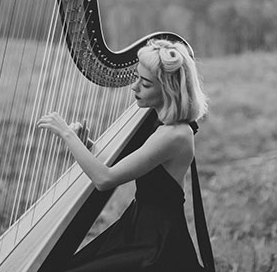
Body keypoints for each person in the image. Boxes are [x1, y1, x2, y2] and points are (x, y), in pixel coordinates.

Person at [36, 39, 213, 272]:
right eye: (137, 78)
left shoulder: (173, 136)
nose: (135, 87)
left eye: (146, 83)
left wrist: (66, 134)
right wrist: (86, 145)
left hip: (156, 242)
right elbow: (127, 164)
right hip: (138, 227)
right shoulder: (165, 126)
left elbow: (105, 179)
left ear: (168, 89)